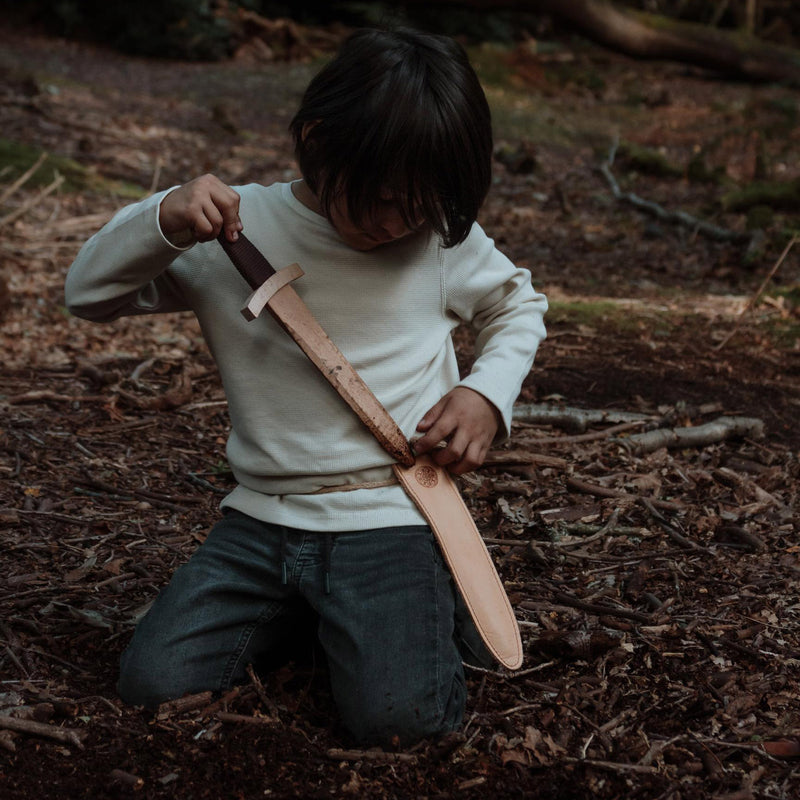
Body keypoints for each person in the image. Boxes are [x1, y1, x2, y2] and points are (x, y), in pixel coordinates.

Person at [65, 27, 547, 746]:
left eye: (422, 203)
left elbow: (518, 304)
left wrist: (486, 394)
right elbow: (88, 294)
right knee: (154, 682)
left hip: (389, 517)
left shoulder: (438, 239)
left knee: (399, 721)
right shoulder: (232, 232)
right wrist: (162, 216)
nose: (399, 223)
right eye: (384, 198)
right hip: (260, 523)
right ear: (320, 141)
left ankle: (405, 608)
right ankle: (318, 614)